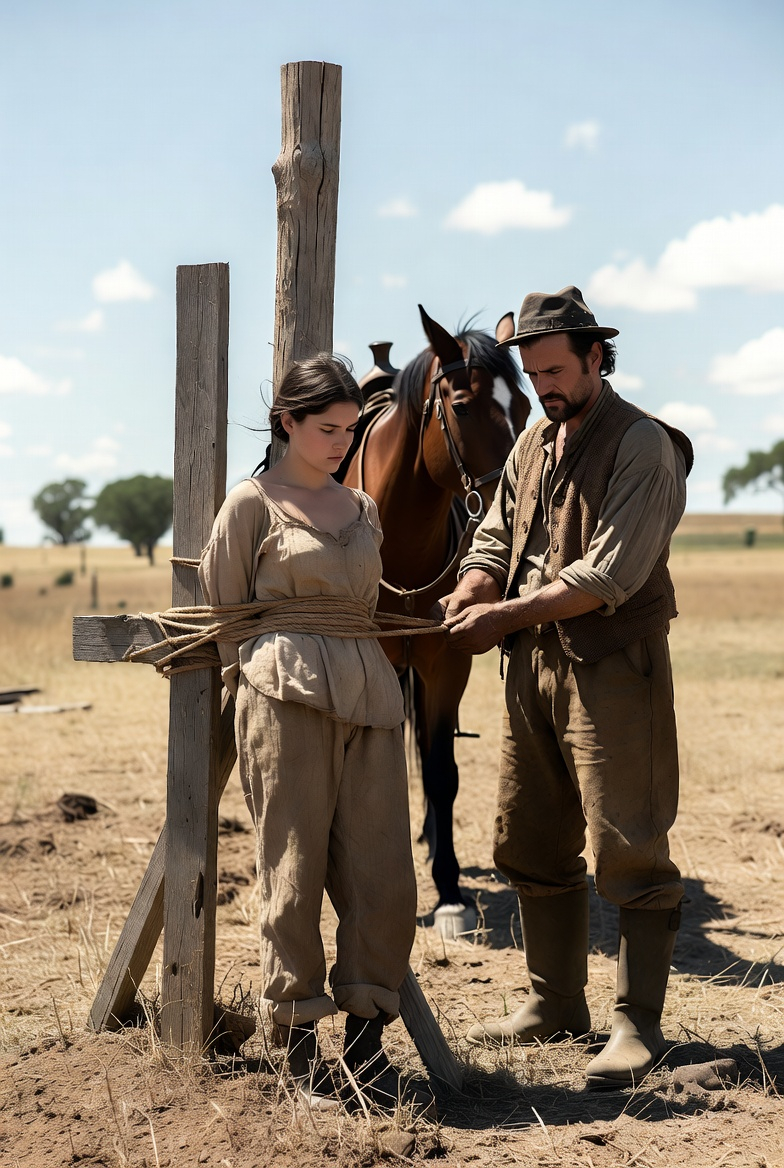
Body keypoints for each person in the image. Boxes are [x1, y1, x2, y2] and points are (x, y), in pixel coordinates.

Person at [443, 287, 693, 1088]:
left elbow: (608, 573)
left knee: (629, 844)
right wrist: (477, 584)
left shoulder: (643, 444)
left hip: (614, 665)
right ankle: (554, 1003)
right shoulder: (534, 441)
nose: (545, 385)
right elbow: (495, 529)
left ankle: (637, 1027)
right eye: (533, 371)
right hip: (530, 664)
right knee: (529, 837)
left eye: (556, 369)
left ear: (595, 356)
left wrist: (503, 610)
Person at [198, 354, 424, 1111]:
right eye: (326, 429)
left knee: (386, 874)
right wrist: (250, 687)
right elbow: (227, 616)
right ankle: (297, 1055)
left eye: (350, 429)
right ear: (287, 422)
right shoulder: (251, 506)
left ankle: (367, 1049)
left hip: (371, 695)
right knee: (290, 874)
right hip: (281, 696)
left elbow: (368, 602)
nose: (340, 442)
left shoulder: (362, 508)